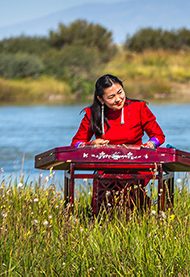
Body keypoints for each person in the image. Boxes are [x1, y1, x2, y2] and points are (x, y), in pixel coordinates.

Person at [71, 74, 166, 214]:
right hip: (106, 167)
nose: (118, 99)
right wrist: (91, 144)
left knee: (131, 196)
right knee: (103, 203)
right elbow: (76, 143)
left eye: (120, 92)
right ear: (101, 99)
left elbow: (158, 136)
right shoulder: (91, 114)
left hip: (137, 165)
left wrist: (150, 145)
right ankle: (100, 221)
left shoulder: (138, 108)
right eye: (111, 97)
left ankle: (141, 218)